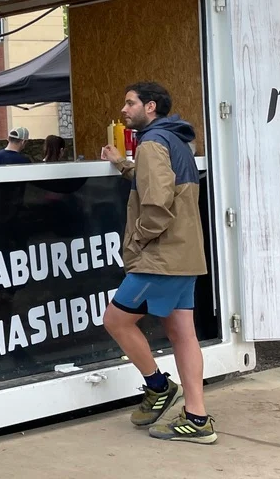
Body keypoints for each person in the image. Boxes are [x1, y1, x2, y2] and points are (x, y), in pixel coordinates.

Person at [100, 82, 214, 444]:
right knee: (183, 334)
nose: (123, 109)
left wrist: (137, 241)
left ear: (150, 107)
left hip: (161, 256)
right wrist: (122, 164)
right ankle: (197, 418)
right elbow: (157, 182)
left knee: (116, 320)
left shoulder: (151, 143)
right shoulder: (175, 139)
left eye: (130, 103)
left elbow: (157, 204)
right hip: (186, 254)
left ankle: (159, 387)